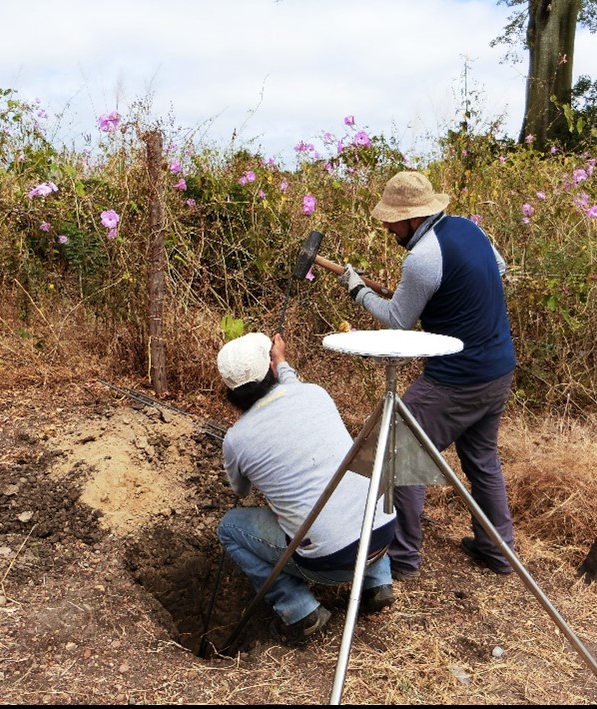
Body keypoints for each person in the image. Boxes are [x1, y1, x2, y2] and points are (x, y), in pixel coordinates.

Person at [336, 170, 517, 577]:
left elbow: (398, 322)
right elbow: (497, 269)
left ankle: (401, 559)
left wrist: (357, 290)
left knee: (402, 450)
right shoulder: (470, 231)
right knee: (482, 459)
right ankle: (498, 551)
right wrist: (431, 292)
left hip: (458, 378)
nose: (386, 227)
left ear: (414, 218)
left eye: (392, 220)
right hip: (499, 368)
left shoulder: (421, 258)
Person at [215, 331, 397, 646]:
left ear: (230, 390)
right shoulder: (315, 394)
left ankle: (299, 610)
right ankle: (377, 582)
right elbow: (292, 385)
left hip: (330, 565)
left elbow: (240, 490)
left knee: (229, 527)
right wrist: (282, 359)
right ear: (271, 368)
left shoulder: (236, 440)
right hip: (383, 535)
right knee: (348, 492)